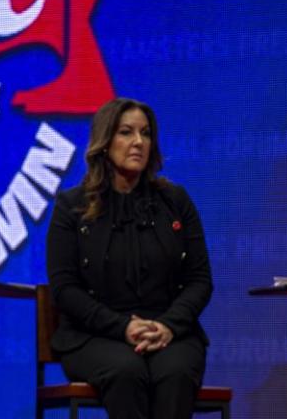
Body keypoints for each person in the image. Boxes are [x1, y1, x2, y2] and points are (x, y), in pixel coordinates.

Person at [47, 98, 213, 419]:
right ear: (104, 142)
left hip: (170, 331)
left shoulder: (175, 202)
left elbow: (200, 280)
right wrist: (123, 327)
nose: (138, 142)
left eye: (146, 133)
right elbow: (65, 289)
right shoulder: (72, 207)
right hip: (93, 335)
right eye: (126, 132)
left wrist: (168, 325)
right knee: (126, 371)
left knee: (175, 373)